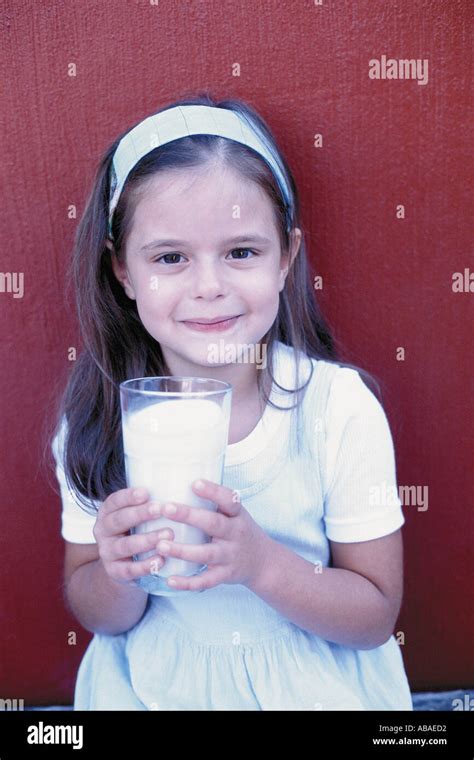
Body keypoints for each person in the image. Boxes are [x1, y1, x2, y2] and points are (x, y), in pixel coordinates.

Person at [51, 92, 413, 710]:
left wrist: (261, 564)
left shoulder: (336, 411)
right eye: (170, 258)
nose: (210, 287)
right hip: (155, 687)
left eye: (242, 252)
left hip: (306, 686)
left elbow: (376, 615)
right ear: (124, 273)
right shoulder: (99, 421)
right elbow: (101, 614)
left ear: (285, 260)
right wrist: (120, 569)